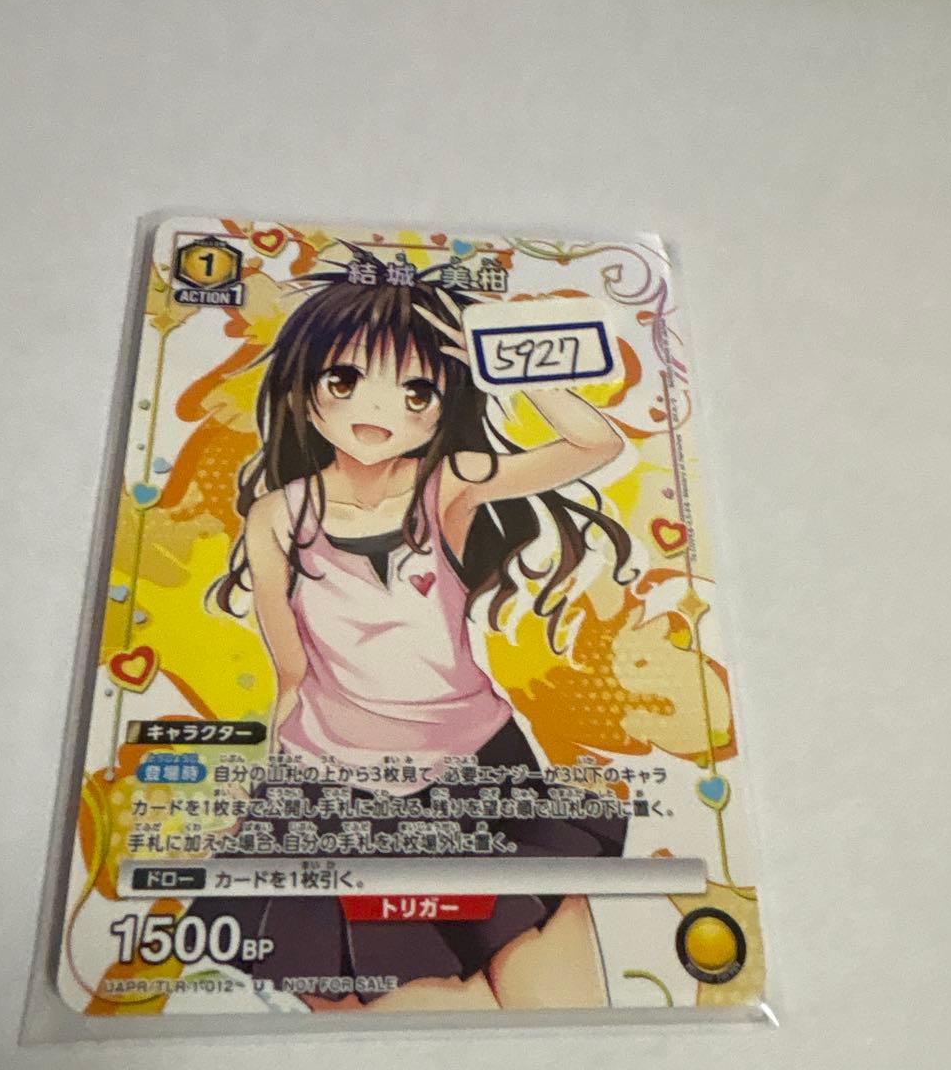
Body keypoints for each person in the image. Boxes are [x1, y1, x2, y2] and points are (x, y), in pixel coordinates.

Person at [195, 250, 636, 1011]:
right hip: (340, 792)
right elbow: (292, 671)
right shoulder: (277, 516)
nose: (379, 408)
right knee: (433, 1033)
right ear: (304, 387)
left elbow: (596, 446)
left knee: (567, 1019)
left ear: (443, 400)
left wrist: (508, 365)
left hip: (480, 767)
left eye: (416, 389)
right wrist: (277, 802)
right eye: (345, 380)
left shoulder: (448, 481)